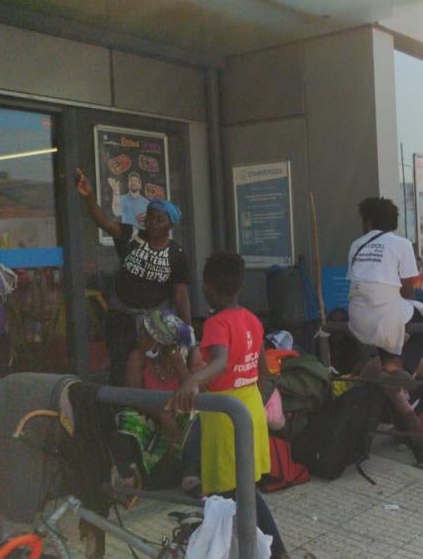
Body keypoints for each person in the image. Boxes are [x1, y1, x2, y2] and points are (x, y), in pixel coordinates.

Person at [169, 253, 287, 559]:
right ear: (241, 285)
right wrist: (255, 400)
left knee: (235, 493)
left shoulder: (216, 323)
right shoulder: (251, 319)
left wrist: (190, 381)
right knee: (242, 489)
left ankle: (274, 552)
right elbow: (262, 370)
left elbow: (220, 363)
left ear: (207, 287)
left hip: (226, 414)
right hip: (249, 405)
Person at [76, 168, 191, 387]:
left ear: (170, 225)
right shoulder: (130, 236)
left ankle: (149, 411)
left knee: (150, 367)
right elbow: (103, 221)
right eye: (149, 218)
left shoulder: (176, 253)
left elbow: (180, 294)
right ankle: (124, 411)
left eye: (159, 219)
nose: (153, 223)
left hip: (155, 322)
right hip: (121, 318)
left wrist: (187, 330)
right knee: (121, 365)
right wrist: (89, 197)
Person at [112, 309, 201, 496]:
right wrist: (161, 415)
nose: (139, 338)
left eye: (145, 334)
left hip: (178, 416)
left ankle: (190, 477)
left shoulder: (185, 357)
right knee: (126, 418)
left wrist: (179, 365)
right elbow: (133, 395)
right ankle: (128, 478)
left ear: (159, 340)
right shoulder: (138, 357)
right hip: (151, 416)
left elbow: (195, 392)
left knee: (196, 417)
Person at [346, 197, 423, 376]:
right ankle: (402, 370)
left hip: (357, 318)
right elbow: (408, 290)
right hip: (386, 315)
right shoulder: (402, 244)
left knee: (388, 322)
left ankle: (388, 364)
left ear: (368, 223)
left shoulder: (356, 245)